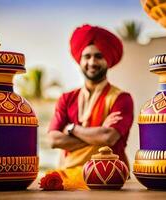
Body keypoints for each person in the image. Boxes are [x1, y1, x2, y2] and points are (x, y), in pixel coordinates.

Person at [46, 24, 134, 190]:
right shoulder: (67, 98)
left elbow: (108, 137)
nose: (92, 62)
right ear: (80, 60)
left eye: (98, 56)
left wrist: (71, 128)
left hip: (110, 179)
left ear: (108, 59)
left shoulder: (121, 98)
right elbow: (53, 140)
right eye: (87, 56)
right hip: (68, 177)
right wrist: (98, 133)